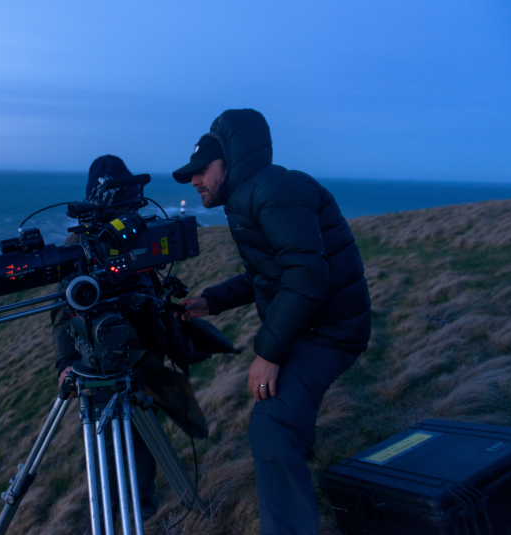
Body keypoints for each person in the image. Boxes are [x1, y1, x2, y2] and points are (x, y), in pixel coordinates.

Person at [172, 109, 371, 535]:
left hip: (331, 331)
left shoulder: (273, 191)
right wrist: (211, 301)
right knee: (283, 414)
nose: (194, 181)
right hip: (313, 325)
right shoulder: (253, 195)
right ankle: (300, 447)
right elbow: (268, 274)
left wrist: (268, 353)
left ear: (229, 161)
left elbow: (307, 276)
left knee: (270, 427)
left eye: (200, 171)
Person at [51, 154, 217, 523]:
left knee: (143, 437)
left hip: (146, 360)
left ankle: (142, 507)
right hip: (106, 364)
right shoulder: (77, 243)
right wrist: (65, 364)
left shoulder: (136, 230)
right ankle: (112, 516)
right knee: (110, 445)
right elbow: (64, 316)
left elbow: (147, 286)